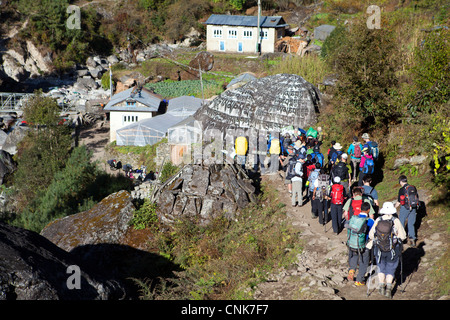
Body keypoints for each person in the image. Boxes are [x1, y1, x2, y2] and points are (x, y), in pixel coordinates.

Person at [367, 202, 407, 298]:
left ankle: (381, 285)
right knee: (391, 267)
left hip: (379, 248)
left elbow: (371, 235)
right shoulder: (395, 220)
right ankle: (389, 288)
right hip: (393, 250)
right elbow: (403, 236)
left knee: (381, 266)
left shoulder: (378, 220)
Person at [345, 202, 374, 286]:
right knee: (364, 262)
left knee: (354, 256)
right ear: (368, 210)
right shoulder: (370, 221)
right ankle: (359, 280)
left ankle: (351, 270)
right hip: (364, 245)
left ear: (361, 209)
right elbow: (372, 234)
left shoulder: (354, 218)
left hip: (353, 243)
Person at [395, 175, 419, 247]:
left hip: (405, 207)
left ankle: (402, 238)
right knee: (411, 223)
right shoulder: (413, 187)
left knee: (401, 222)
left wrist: (394, 207)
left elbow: (399, 201)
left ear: (401, 181)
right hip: (413, 207)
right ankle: (412, 239)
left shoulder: (402, 189)